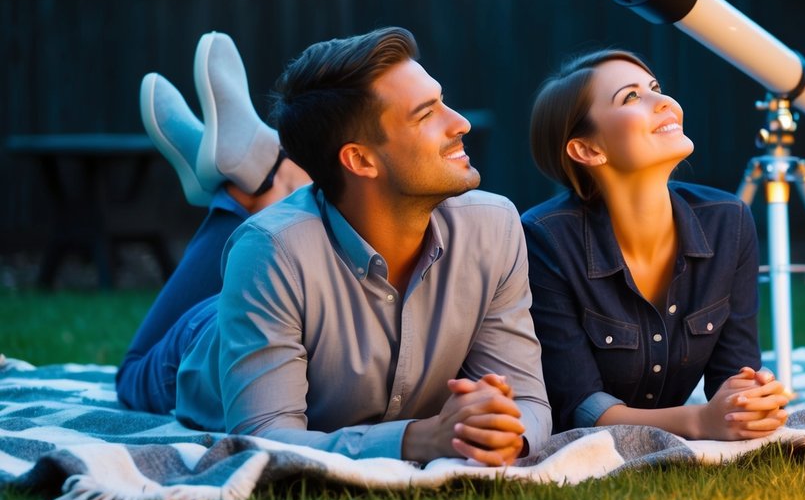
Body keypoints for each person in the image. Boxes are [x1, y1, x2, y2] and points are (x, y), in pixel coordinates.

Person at [116, 28, 550, 466]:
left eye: (442, 102)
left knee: (288, 228)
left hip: (296, 260)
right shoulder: (270, 252)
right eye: (425, 114)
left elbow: (529, 399)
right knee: (131, 374)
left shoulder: (494, 228)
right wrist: (418, 439)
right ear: (360, 159)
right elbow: (266, 439)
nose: (460, 122)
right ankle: (240, 191)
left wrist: (505, 432)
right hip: (207, 337)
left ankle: (263, 172)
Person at [522, 49, 789, 439]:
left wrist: (749, 399)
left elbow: (733, 374)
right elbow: (580, 407)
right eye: (631, 97)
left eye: (655, 88)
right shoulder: (545, 239)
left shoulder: (728, 221)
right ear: (588, 150)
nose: (664, 102)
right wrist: (700, 422)